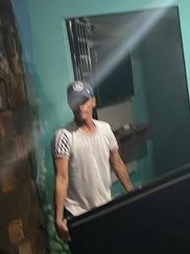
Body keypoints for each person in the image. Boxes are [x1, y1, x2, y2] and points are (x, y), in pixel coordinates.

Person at [52, 81, 134, 243]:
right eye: (75, 102)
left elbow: (117, 163)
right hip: (77, 213)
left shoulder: (105, 129)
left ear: (93, 101)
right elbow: (61, 178)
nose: (80, 106)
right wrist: (58, 218)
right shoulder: (64, 136)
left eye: (84, 100)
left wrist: (132, 192)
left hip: (105, 207)